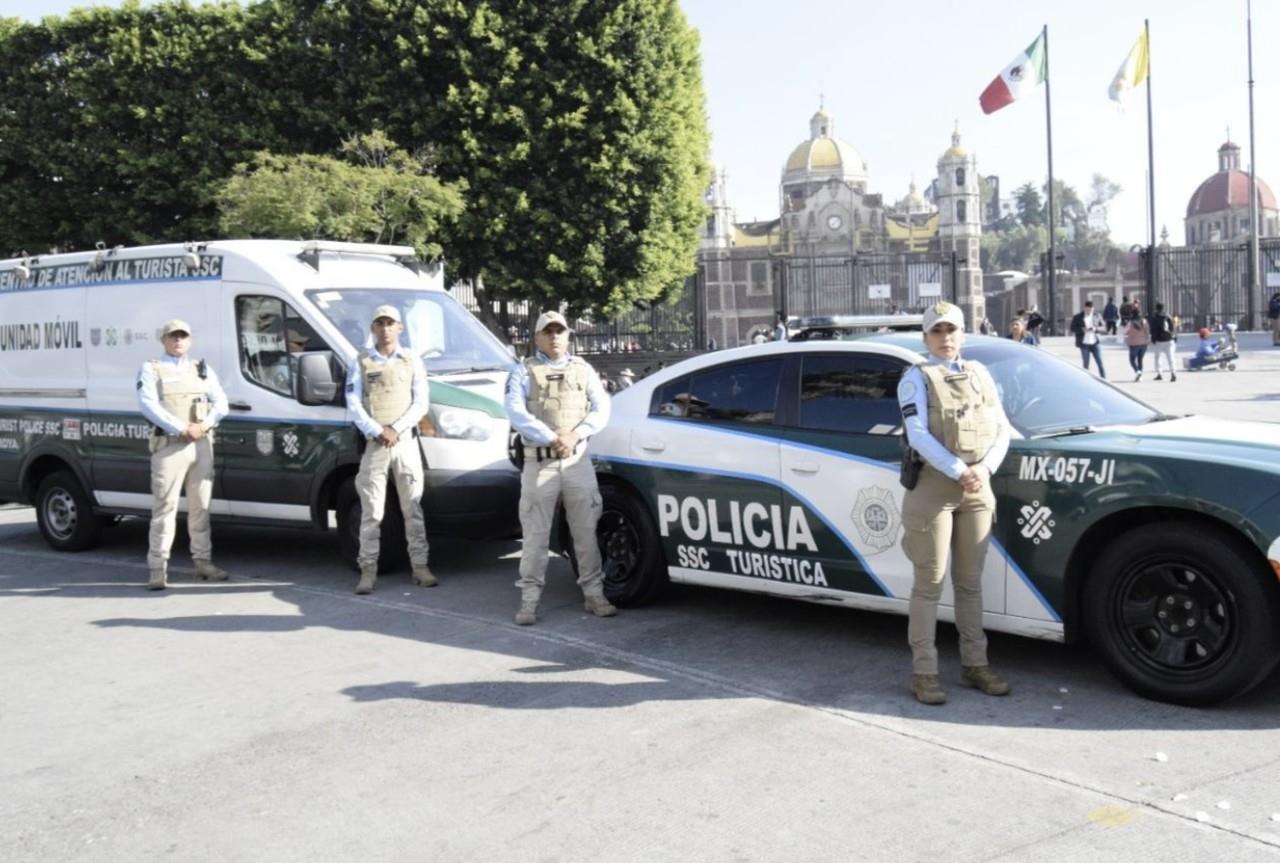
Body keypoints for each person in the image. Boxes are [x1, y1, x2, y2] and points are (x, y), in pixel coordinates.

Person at [896, 301, 1012, 706]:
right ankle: (924, 671)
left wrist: (984, 468)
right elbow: (917, 434)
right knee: (929, 584)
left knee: (969, 584)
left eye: (952, 331)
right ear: (926, 337)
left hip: (977, 487)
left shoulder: (979, 374)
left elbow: (1002, 429)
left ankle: (975, 664)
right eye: (937, 332)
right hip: (935, 489)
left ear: (963, 334)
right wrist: (958, 468)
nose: (945, 339)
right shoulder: (916, 378)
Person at [504, 311, 616, 626]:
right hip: (540, 463)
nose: (554, 337)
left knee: (585, 533)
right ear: (537, 338)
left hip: (576, 460)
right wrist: (554, 438)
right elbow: (515, 411)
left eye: (560, 331)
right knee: (535, 538)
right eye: (547, 332)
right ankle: (529, 601)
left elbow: (601, 407)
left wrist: (575, 435)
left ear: (568, 336)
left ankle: (594, 595)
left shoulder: (583, 369)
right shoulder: (523, 371)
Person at [346, 304, 435, 594]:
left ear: (400, 328)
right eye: (379, 323)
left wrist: (395, 429)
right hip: (376, 444)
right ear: (373, 328)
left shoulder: (412, 361)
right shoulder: (361, 362)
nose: (385, 329)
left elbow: (421, 402)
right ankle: (368, 569)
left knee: (413, 507)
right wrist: (377, 430)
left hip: (404, 441)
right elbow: (354, 403)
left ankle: (420, 567)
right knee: (372, 511)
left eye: (390, 323)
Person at [137, 319, 230, 590]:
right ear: (163, 340)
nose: (178, 341)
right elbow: (148, 405)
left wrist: (204, 425)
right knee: (164, 508)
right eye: (173, 336)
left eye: (183, 336)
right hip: (170, 445)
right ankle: (157, 567)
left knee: (201, 507)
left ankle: (203, 562)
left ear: (190, 340)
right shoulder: (151, 369)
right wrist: (181, 428)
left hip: (200, 444)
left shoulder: (201, 368)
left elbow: (221, 403)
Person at [1070, 300, 1106, 378]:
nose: (1089, 311)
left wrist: (1095, 329)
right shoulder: (1077, 317)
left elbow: (1104, 328)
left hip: (1095, 343)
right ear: (1084, 308)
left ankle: (1104, 379)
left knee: (1100, 362)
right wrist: (1082, 330)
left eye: (1091, 310)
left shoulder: (1097, 316)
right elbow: (1072, 328)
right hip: (1084, 343)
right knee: (1086, 364)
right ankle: (1085, 379)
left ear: (1093, 308)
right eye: (1088, 310)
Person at [1148, 302, 1178, 382]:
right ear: (1163, 308)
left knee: (1157, 358)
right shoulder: (1168, 316)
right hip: (1169, 340)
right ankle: (1173, 373)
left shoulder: (1155, 318)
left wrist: (1153, 339)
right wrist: (1175, 337)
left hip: (1159, 341)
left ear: (1156, 309)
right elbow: (1173, 328)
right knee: (1171, 358)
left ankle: (1159, 373)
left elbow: (1153, 330)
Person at [1125, 311, 1151, 380]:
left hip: (1134, 344)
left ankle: (1137, 371)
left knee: (1132, 360)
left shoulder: (1131, 323)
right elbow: (1148, 331)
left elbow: (1126, 331)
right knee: (1140, 360)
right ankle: (1140, 375)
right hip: (1144, 344)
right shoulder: (1144, 321)